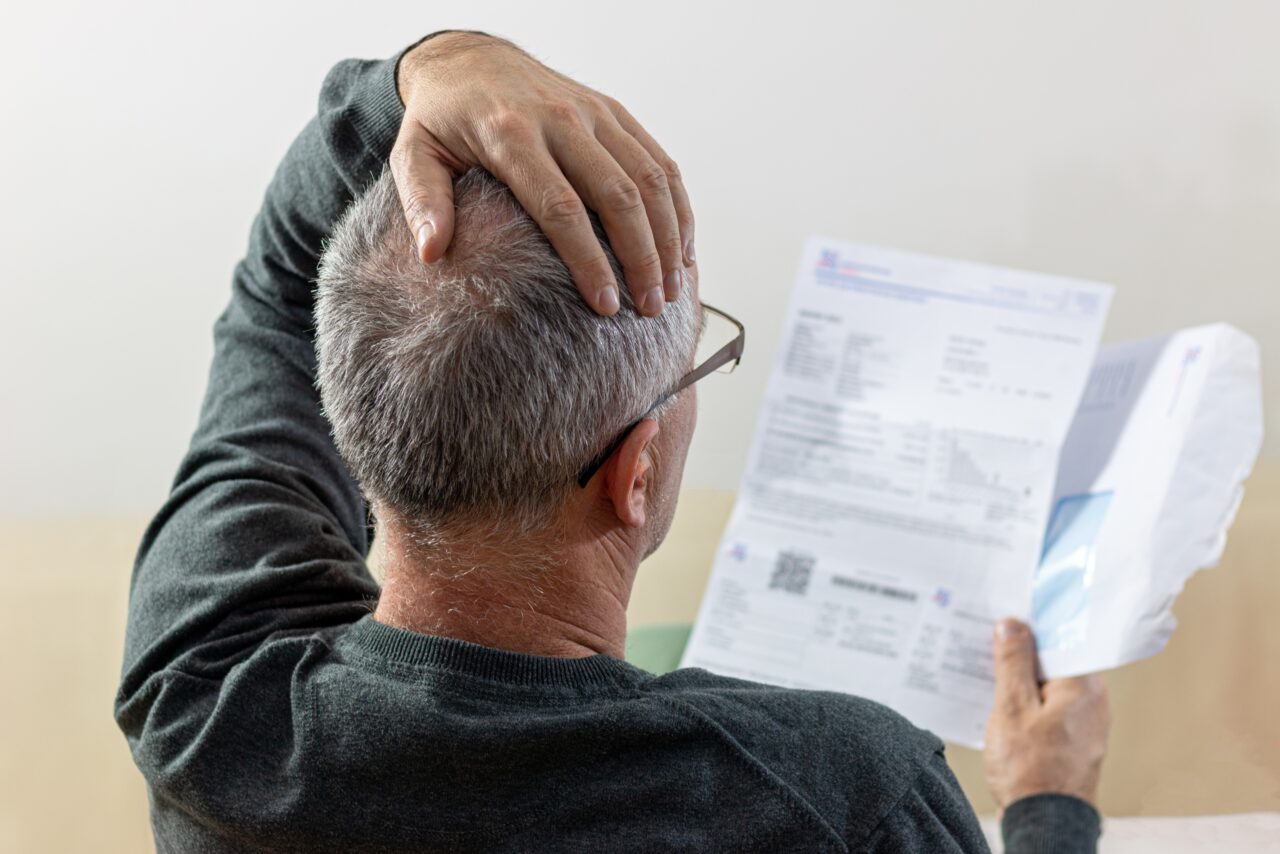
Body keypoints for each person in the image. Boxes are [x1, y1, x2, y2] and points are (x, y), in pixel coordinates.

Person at [116, 30, 1109, 853]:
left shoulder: (205, 694)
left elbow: (272, 291)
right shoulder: (841, 793)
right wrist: (1046, 804)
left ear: (341, 414)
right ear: (633, 474)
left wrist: (433, 65)